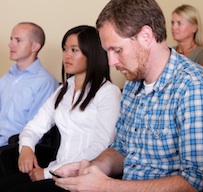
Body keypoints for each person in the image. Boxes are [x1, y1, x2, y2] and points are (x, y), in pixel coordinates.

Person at [54, 0, 203, 192]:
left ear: (146, 36)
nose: (111, 62)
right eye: (108, 52)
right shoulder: (133, 83)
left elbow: (196, 183)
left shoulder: (194, 88)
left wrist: (107, 186)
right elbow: (121, 148)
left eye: (117, 50)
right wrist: (91, 167)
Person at [0, 25, 121, 191]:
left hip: (81, 178)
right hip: (55, 171)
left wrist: (49, 173)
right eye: (65, 49)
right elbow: (34, 126)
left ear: (91, 53)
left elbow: (100, 147)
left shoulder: (108, 92)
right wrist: (26, 148)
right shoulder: (64, 89)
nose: (67, 55)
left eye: (74, 50)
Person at [0, 22, 59, 146]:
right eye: (11, 39)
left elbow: (36, 129)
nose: (11, 44)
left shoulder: (45, 82)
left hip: (14, 147)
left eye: (18, 40)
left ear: (35, 47)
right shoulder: (7, 77)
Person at [171, 4, 203, 73]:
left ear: (194, 28)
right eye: (172, 23)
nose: (174, 27)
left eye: (179, 23)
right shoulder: (169, 52)